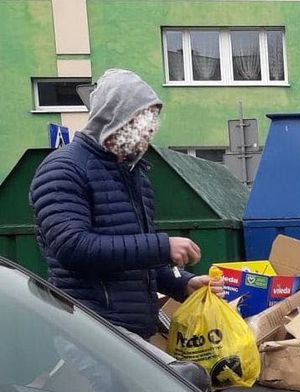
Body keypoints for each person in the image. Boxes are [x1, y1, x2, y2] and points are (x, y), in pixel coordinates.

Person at [29, 68, 221, 340]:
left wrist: (182, 283)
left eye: (151, 123)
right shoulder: (64, 168)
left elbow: (134, 258)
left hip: (130, 334)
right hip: (89, 330)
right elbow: (71, 246)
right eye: (140, 123)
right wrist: (162, 246)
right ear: (113, 118)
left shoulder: (135, 176)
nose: (148, 133)